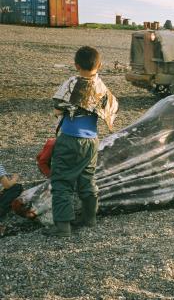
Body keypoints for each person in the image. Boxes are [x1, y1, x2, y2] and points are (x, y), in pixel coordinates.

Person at [45, 46, 119, 237]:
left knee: (62, 181)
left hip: (70, 139)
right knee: (87, 180)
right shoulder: (102, 87)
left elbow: (58, 109)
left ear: (76, 65)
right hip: (91, 141)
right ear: (99, 65)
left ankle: (62, 227)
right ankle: (89, 218)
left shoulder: (71, 83)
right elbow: (111, 109)